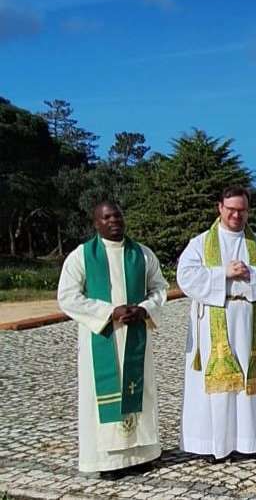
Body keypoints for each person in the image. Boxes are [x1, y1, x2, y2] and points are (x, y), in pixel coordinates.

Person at [57, 201, 168, 479]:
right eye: (106, 217)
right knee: (103, 397)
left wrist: (144, 309)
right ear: (96, 223)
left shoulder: (142, 254)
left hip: (135, 336)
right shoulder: (81, 256)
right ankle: (108, 462)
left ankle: (141, 455)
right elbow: (68, 297)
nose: (114, 220)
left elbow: (160, 288)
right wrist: (109, 312)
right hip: (103, 338)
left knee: (140, 392)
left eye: (117, 215)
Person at [177, 186, 256, 462]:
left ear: (248, 211)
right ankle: (217, 445)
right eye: (231, 209)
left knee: (249, 380)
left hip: (249, 320)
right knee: (219, 386)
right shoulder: (201, 243)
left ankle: (252, 442)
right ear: (220, 208)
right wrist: (223, 273)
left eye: (242, 210)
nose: (236, 215)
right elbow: (186, 277)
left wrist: (251, 274)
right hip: (214, 320)